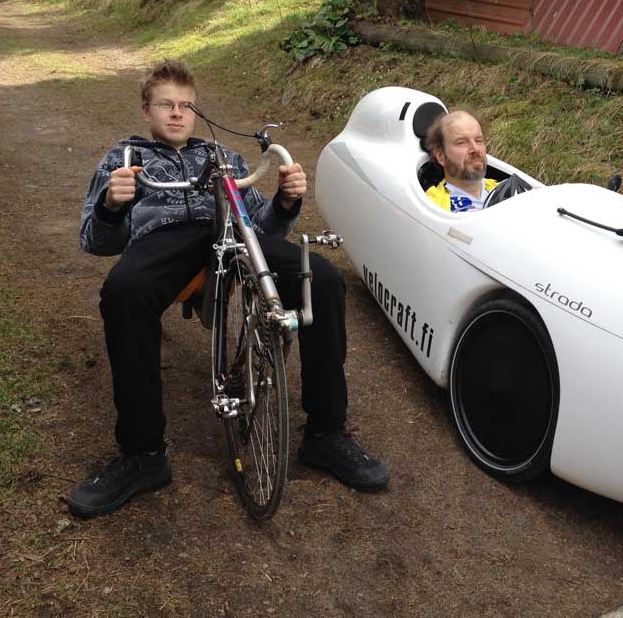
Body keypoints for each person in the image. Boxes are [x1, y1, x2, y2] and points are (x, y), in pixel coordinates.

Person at [69, 59, 389, 519]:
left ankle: (326, 434)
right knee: (123, 293)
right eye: (165, 105)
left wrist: (285, 201)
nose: (176, 113)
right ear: (146, 111)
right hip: (163, 240)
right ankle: (143, 454)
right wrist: (111, 206)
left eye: (186, 105)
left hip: (233, 233)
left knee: (320, 278)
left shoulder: (224, 158)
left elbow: (263, 228)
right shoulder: (124, 159)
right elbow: (95, 241)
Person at [423, 110, 497, 212]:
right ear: (440, 156)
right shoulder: (432, 208)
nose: (475, 149)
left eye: (478, 140)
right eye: (461, 142)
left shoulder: (506, 189)